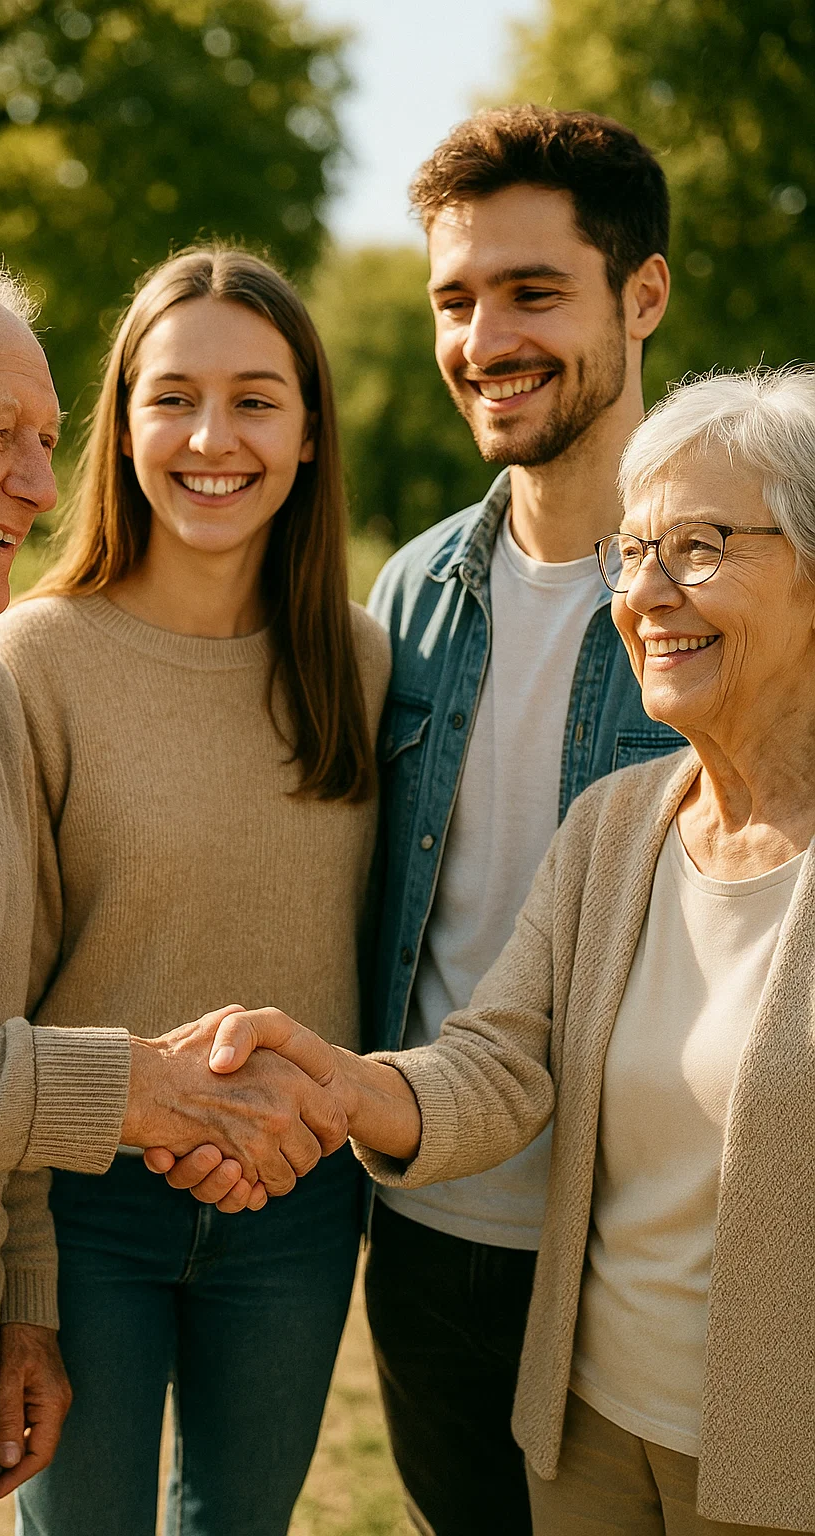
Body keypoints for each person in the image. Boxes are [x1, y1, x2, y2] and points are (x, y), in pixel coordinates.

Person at [197, 366, 815, 1534]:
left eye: (699, 544)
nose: (647, 592)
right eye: (631, 551)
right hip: (580, 1436)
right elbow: (502, 1057)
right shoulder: (618, 827)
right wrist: (348, 1084)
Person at [0, 247, 347, 1536]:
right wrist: (130, 1091)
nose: (41, 487)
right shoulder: (23, 665)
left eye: (46, 441)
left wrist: (17, 1307)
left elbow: (0, 1026)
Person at [0, 246, 390, 1536]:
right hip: (84, 1207)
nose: (213, 437)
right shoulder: (29, 662)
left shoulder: (363, 664)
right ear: (122, 422)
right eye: (173, 397)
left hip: (298, 1209)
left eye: (257, 399)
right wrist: (24, 1274)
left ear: (312, 431)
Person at [362, 105, 681, 1535]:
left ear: (644, 294)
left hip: (638, 1240)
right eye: (456, 298)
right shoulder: (411, 592)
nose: (484, 338)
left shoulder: (742, 594)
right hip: (425, 1226)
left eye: (534, 291)